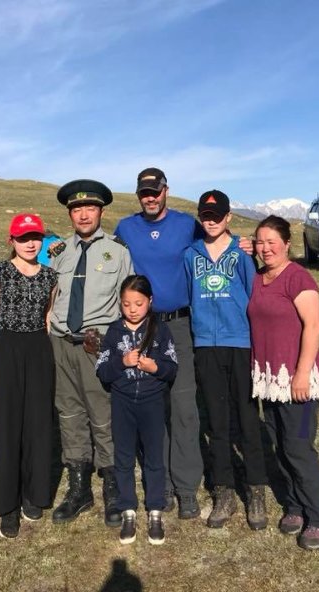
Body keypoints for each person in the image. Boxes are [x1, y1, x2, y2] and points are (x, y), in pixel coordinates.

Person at [114, 168, 203, 518]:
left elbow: (214, 242)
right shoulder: (126, 228)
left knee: (183, 409)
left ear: (166, 191)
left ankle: (187, 487)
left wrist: (243, 242)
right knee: (153, 411)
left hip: (179, 326)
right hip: (144, 328)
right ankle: (160, 481)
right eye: (144, 193)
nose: (150, 198)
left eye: (155, 191)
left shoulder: (187, 224)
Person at [248, 215, 319, 550]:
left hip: (297, 382)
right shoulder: (258, 278)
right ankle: (296, 506)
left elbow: (313, 326)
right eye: (260, 241)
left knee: (299, 448)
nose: (265, 248)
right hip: (270, 380)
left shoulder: (298, 278)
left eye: (272, 241)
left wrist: (301, 374)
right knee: (280, 445)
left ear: (287, 243)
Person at [49, 179, 133, 528]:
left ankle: (114, 490)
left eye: (90, 208)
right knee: (69, 414)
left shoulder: (118, 251)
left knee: (103, 414)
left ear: (101, 211)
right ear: (70, 214)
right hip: (60, 343)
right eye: (76, 209)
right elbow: (50, 296)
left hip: (97, 343)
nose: (83, 214)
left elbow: (130, 304)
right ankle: (79, 489)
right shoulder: (58, 253)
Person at [184, 190, 268, 530]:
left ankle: (256, 491)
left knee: (248, 419)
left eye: (217, 214)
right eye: (206, 214)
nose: (211, 219)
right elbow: (189, 295)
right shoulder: (190, 254)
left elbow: (255, 298)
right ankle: (223, 491)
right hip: (206, 345)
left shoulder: (244, 253)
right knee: (216, 422)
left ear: (229, 216)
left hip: (241, 344)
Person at [0, 213, 57, 539]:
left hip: (38, 351)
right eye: (23, 238)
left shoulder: (51, 276)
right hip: (5, 351)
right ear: (12, 240)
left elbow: (48, 319)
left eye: (35, 236)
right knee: (7, 427)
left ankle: (32, 495)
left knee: (38, 425)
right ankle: (7, 505)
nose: (30, 243)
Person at [96, 275, 178, 545]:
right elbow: (103, 371)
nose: (132, 309)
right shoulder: (113, 332)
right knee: (123, 456)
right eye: (126, 304)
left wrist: (156, 368)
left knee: (154, 456)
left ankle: (155, 508)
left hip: (153, 402)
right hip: (122, 403)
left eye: (139, 303)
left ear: (150, 301)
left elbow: (172, 367)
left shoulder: (161, 330)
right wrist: (122, 362)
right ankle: (128, 507)